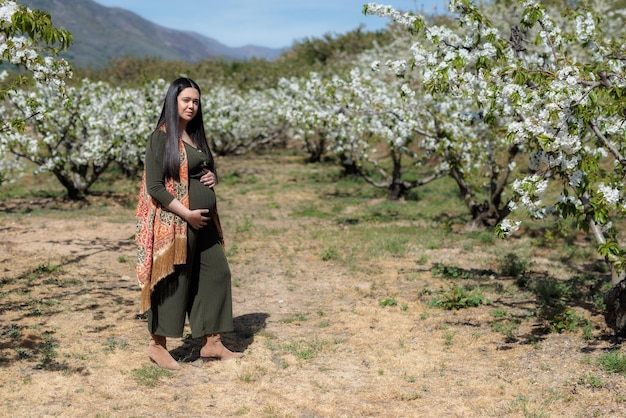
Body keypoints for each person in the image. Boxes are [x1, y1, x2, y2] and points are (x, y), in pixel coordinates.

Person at [135, 77, 242, 370]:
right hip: (177, 222)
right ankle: (157, 346)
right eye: (186, 100)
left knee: (216, 273)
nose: (192, 106)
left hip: (203, 222)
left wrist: (212, 178)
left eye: (196, 101)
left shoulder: (194, 136)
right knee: (174, 280)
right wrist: (188, 213)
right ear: (173, 101)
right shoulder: (161, 137)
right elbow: (155, 187)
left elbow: (200, 171)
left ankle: (212, 343)